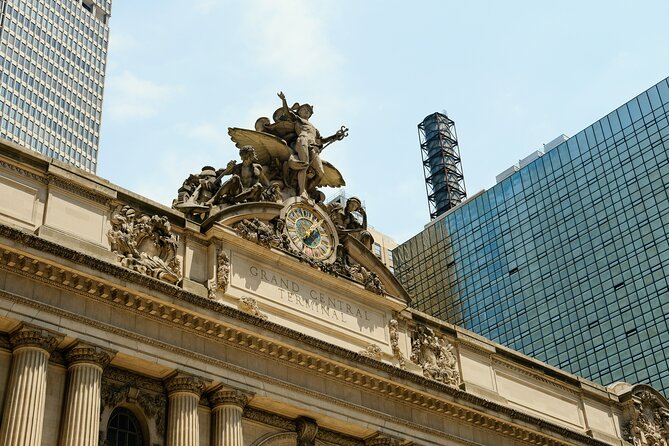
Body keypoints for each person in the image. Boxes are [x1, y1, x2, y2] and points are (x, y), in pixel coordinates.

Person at [276, 92, 347, 196]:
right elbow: (287, 112)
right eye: (304, 109)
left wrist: (335, 136)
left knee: (321, 173)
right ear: (299, 111)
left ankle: (308, 190)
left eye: (309, 111)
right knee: (303, 165)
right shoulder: (297, 119)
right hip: (302, 140)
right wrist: (284, 100)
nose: (306, 111)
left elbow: (321, 141)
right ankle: (302, 191)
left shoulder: (314, 128)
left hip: (314, 146)